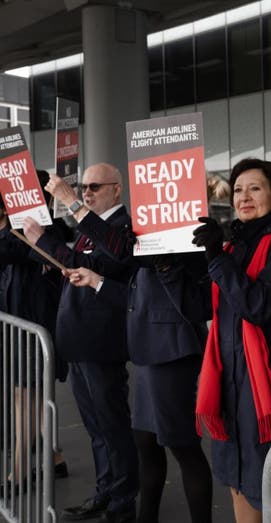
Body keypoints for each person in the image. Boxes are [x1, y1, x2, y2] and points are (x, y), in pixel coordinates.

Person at [45, 168, 215, 523]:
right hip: (146, 348)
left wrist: (71, 202)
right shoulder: (145, 234)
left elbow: (124, 254)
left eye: (95, 187)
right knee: (144, 442)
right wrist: (97, 282)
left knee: (181, 445)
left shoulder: (183, 239)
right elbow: (132, 287)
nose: (88, 192)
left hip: (171, 348)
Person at [191, 158, 271, 523]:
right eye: (239, 189)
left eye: (255, 188)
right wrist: (166, 264)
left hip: (270, 388)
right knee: (238, 482)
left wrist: (215, 257)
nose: (245, 196)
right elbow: (201, 305)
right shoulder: (233, 245)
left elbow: (260, 306)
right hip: (230, 384)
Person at [23, 163, 138, 523]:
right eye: (83, 187)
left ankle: (122, 503)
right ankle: (105, 492)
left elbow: (102, 261)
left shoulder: (119, 227)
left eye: (94, 186)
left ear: (116, 190)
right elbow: (76, 263)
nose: (86, 192)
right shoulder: (92, 227)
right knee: (96, 429)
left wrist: (47, 239)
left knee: (113, 428)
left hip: (102, 344)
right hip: (80, 341)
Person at [0, 172, 71, 492]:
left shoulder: (35, 231)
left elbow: (13, 250)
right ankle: (54, 457)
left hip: (33, 324)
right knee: (35, 398)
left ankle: (18, 473)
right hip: (24, 324)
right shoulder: (22, 230)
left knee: (24, 397)